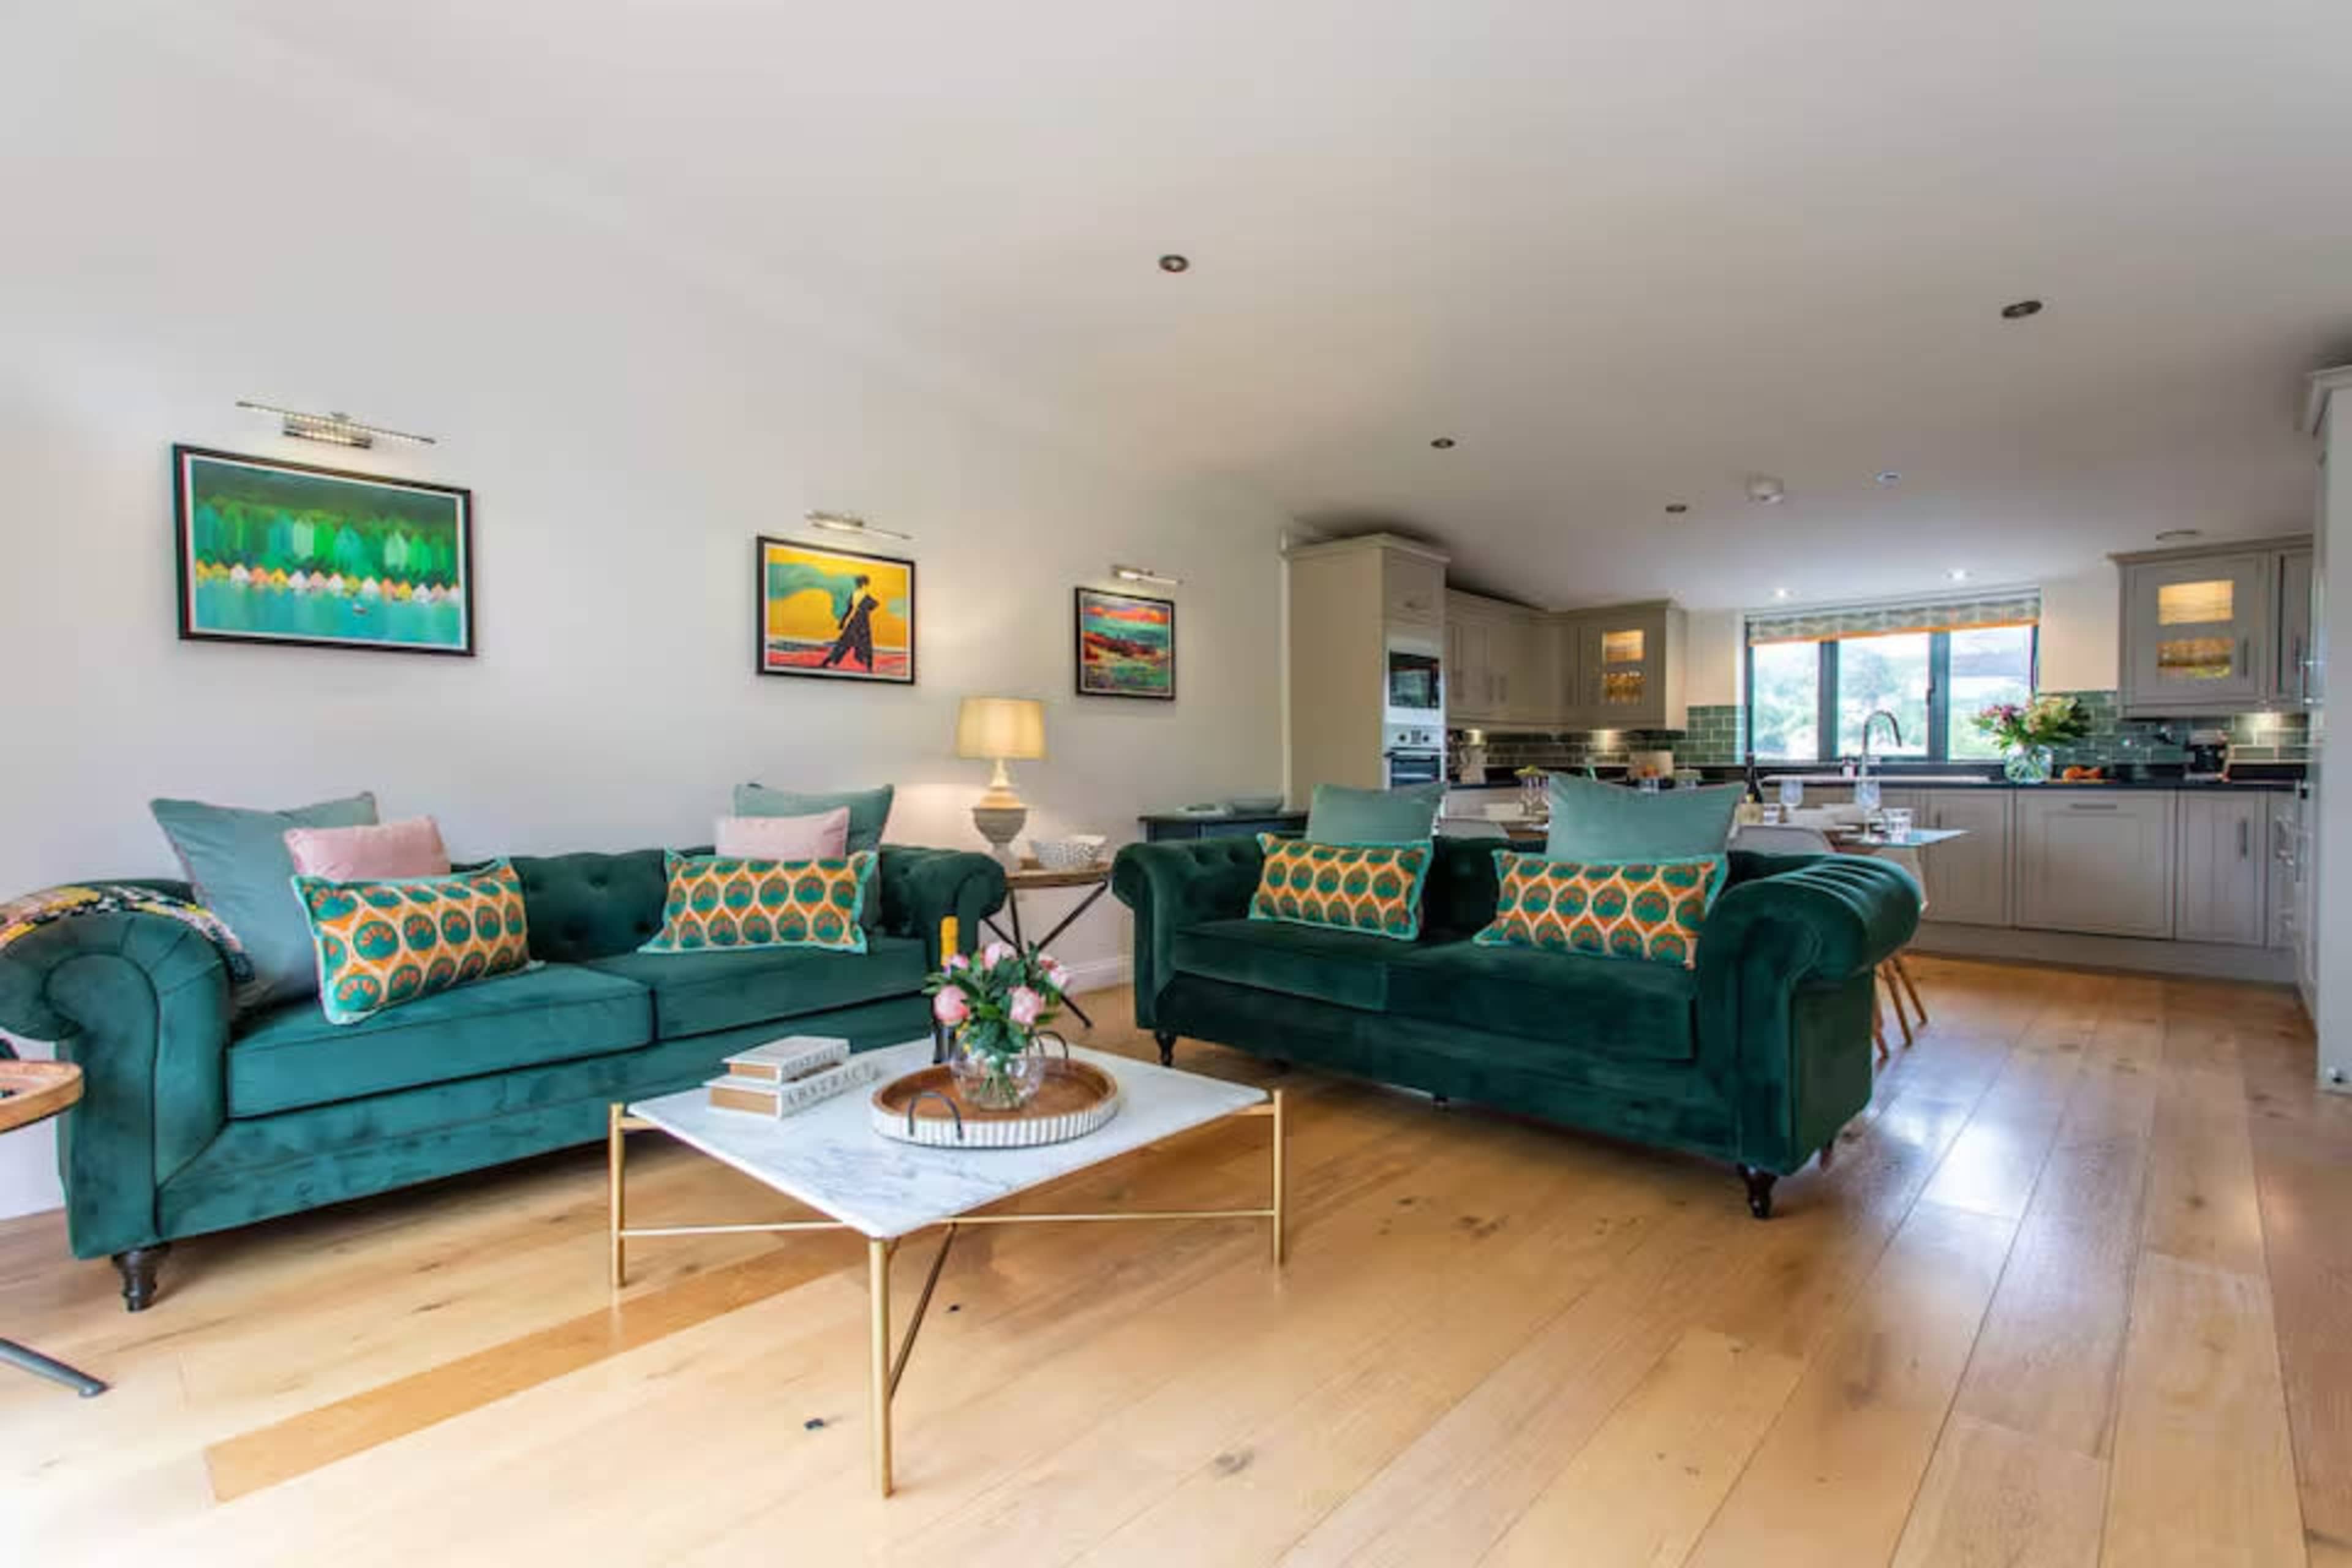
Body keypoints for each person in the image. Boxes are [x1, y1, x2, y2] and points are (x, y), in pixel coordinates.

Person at [820, 574, 881, 671]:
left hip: (854, 622)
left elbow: (849, 610)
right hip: (863, 623)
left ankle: (827, 662)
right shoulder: (865, 596)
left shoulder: (854, 595)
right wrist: (865, 609)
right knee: (865, 645)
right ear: (864, 584)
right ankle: (869, 668)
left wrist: (842, 622)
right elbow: (875, 604)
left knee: (844, 643)